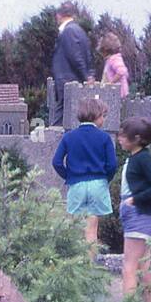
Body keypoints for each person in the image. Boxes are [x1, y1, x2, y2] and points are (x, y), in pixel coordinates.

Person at [52, 97, 117, 255]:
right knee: (92, 230)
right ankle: (91, 265)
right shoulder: (104, 138)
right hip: (98, 184)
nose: (104, 119)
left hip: (77, 185)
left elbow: (57, 162)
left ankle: (77, 264)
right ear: (96, 116)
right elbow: (112, 165)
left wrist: (69, 176)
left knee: (77, 228)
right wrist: (104, 179)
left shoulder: (69, 137)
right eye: (103, 115)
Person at [117, 117, 151, 302]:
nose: (119, 138)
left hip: (141, 216)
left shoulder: (143, 159)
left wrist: (135, 199)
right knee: (143, 266)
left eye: (123, 135)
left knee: (129, 267)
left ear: (136, 138)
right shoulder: (137, 157)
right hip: (139, 216)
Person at [50, 1, 92, 126]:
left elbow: (75, 57)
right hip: (70, 83)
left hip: (67, 83)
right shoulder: (79, 30)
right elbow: (87, 56)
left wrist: (85, 76)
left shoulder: (69, 31)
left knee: (60, 123)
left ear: (59, 15)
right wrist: (88, 74)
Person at [100, 32, 130, 99]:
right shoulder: (110, 60)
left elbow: (122, 71)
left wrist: (111, 83)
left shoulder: (114, 59)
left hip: (118, 94)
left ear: (105, 50)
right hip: (113, 94)